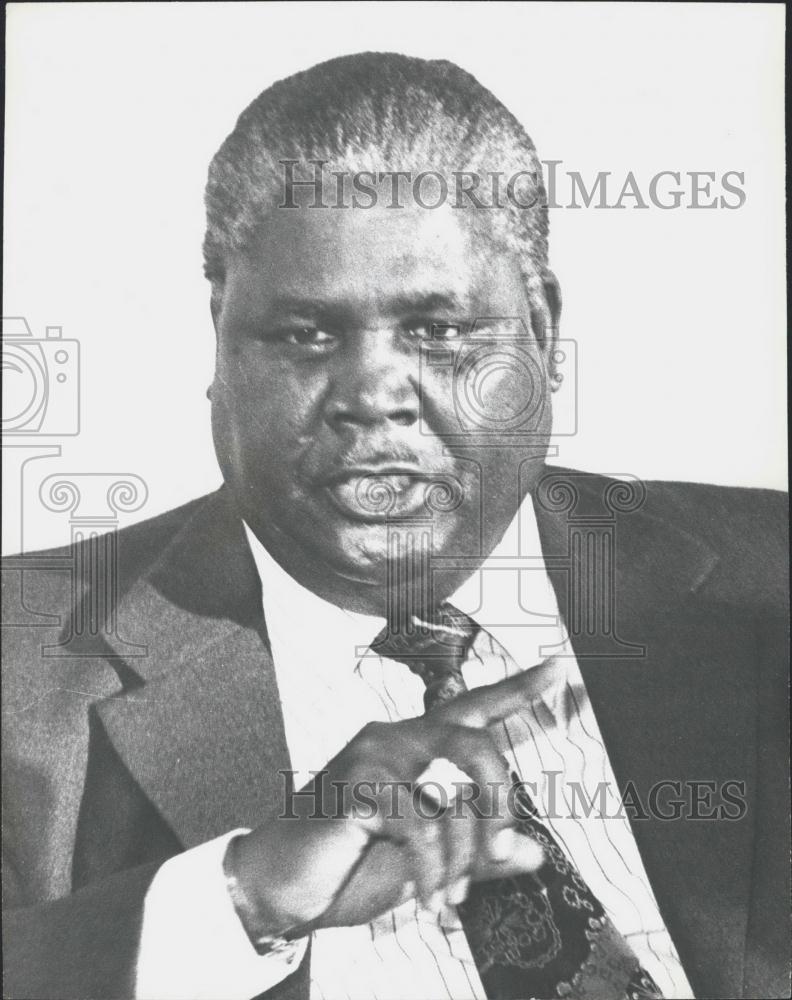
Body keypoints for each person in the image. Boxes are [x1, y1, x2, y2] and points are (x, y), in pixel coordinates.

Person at [2, 52, 788, 1000]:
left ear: (541, 330)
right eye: (305, 333)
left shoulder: (767, 586)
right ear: (218, 337)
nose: (373, 396)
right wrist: (243, 897)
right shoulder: (24, 662)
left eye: (439, 330)